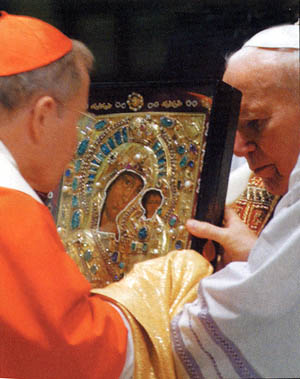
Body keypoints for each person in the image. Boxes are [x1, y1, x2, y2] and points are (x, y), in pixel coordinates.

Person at [171, 22, 300, 377]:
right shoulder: (241, 188)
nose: (240, 149)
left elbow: (271, 318)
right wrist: (258, 259)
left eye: (255, 123)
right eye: (234, 127)